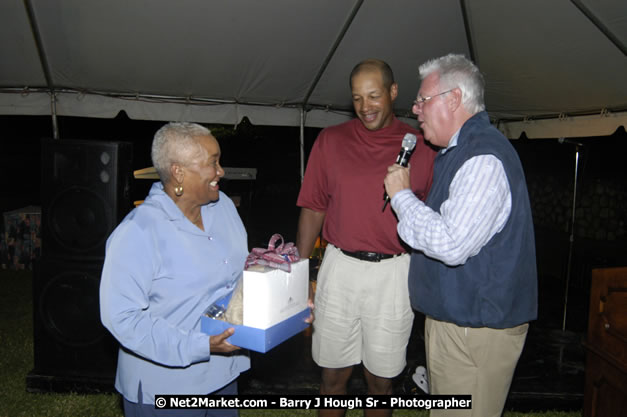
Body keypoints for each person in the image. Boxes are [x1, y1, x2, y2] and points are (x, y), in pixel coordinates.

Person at [384, 53, 538, 417]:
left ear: (453, 99)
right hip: (460, 323)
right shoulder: (458, 152)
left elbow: (451, 244)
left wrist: (402, 197)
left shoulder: (482, 157)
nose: (415, 109)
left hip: (476, 332)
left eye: (423, 100)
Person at [297, 59, 437, 417]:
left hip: (394, 273)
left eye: (374, 96)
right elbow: (313, 208)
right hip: (339, 268)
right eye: (357, 98)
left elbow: (436, 221)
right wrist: (298, 275)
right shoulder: (330, 141)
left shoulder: (423, 146)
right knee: (332, 377)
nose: (365, 107)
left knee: (382, 383)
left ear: (393, 92)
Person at [100, 122, 249, 417]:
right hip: (167, 386)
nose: (221, 171)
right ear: (178, 171)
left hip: (223, 374)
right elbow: (122, 318)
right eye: (212, 163)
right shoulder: (138, 231)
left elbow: (241, 277)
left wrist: (287, 307)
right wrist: (200, 345)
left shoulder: (224, 210)